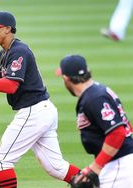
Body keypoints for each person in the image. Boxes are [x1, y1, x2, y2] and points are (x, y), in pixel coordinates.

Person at [0, 11, 80, 188]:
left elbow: (11, 86)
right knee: (55, 167)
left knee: (2, 161)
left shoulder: (19, 51)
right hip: (42, 110)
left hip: (34, 112)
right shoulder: (5, 53)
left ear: (7, 29)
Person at [56, 54, 133, 187]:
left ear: (66, 79)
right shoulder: (96, 92)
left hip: (120, 166)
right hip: (118, 162)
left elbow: (117, 133)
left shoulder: (93, 98)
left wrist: (95, 168)